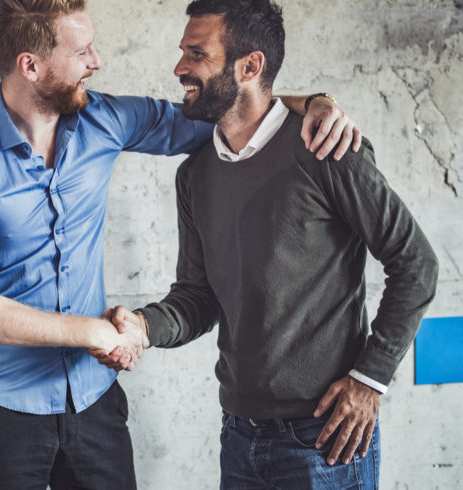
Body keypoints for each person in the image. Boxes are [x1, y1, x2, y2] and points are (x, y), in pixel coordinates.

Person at [0, 0, 361, 488]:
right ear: (31, 65)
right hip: (0, 410)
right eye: (83, 50)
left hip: (94, 403)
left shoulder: (104, 119)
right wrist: (93, 334)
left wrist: (315, 101)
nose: (97, 61)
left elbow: (229, 109)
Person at [93, 0, 439, 488]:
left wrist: (370, 380)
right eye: (183, 52)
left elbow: (417, 263)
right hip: (238, 435)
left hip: (326, 439)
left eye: (197, 54)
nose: (179, 68)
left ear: (250, 66)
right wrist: (143, 327)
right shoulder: (195, 175)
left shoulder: (326, 148)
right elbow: (198, 296)